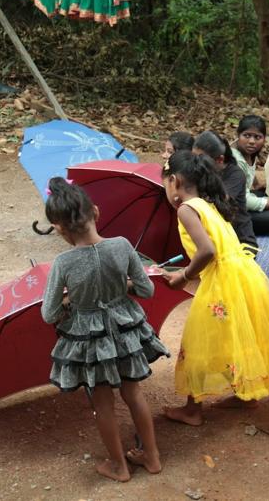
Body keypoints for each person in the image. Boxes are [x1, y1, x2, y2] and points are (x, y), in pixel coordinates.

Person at [160, 151, 269, 426]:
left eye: (165, 185)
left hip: (222, 281)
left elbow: (207, 251)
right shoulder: (208, 204)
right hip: (243, 275)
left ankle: (193, 410)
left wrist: (184, 275)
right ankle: (246, 395)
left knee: (199, 342)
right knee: (239, 334)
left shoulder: (186, 209)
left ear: (174, 180)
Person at [40, 177, 169, 482]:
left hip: (90, 340)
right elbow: (146, 290)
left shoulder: (63, 263)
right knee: (133, 392)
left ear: (58, 228)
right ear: (95, 212)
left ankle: (118, 466)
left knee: (102, 402)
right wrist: (122, 286)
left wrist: (69, 300)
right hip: (125, 332)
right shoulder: (122, 246)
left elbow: (49, 313)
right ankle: (151, 457)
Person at [193, 130, 258, 252]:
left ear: (220, 160)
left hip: (239, 240)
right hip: (213, 236)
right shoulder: (199, 171)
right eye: (194, 158)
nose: (196, 163)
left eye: (201, 159)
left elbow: (220, 202)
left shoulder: (236, 174)